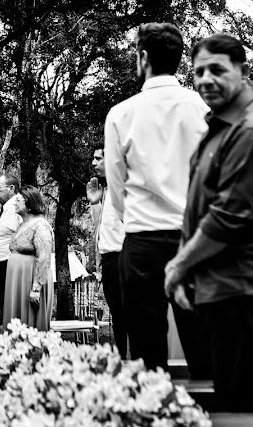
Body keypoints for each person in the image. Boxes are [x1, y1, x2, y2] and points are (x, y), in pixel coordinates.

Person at [105, 22, 209, 376]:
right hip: (194, 241)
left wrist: (134, 216)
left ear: (143, 57)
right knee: (203, 346)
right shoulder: (202, 109)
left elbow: (116, 189)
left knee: (148, 355)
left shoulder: (121, 114)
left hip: (142, 243)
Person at [164, 34, 253, 411]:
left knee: (240, 406)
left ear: (244, 72)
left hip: (242, 294)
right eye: (198, 71)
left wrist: (178, 266)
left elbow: (228, 217)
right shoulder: (216, 128)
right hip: (218, 291)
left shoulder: (247, 132)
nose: (205, 80)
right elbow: (201, 209)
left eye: (217, 69)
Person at [86, 143, 127, 358]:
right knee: (117, 315)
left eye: (99, 158)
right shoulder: (108, 190)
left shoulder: (124, 186)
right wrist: (95, 204)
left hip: (124, 258)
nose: (94, 163)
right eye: (93, 158)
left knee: (128, 313)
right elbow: (102, 228)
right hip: (109, 260)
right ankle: (122, 358)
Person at [2, 185, 54, 330]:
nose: (14, 203)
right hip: (17, 281)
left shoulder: (40, 225)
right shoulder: (22, 225)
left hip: (30, 279)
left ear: (29, 204)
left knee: (31, 322)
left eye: (18, 200)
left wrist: (36, 288)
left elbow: (44, 257)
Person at [0, 174, 21, 310]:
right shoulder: (4, 208)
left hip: (10, 263)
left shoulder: (17, 207)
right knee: (4, 301)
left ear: (11, 188)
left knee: (11, 304)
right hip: (1, 265)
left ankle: (15, 330)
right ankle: (9, 330)